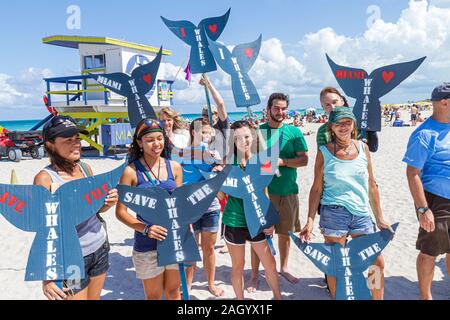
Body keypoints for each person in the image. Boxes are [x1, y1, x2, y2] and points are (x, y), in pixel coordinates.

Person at [300, 107, 393, 300]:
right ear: (331, 128)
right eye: (338, 123)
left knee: (376, 262)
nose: (343, 127)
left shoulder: (363, 148)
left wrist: (380, 218)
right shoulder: (324, 151)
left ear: (354, 125)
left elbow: (371, 184)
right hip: (333, 214)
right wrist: (309, 220)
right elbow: (316, 188)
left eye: (347, 122)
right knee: (336, 266)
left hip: (361, 213)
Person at [34, 116, 118, 300]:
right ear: (50, 145)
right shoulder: (45, 179)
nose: (76, 144)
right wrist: (47, 278)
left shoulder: (85, 169)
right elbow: (44, 231)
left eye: (77, 139)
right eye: (68, 140)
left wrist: (107, 203)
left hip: (99, 248)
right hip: (70, 258)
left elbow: (94, 211)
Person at [115, 118, 183, 300]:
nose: (156, 144)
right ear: (139, 143)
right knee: (153, 296)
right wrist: (146, 229)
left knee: (173, 293)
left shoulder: (175, 167)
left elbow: (179, 205)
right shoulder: (131, 171)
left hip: (172, 241)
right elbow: (120, 212)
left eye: (159, 138)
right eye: (149, 140)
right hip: (146, 244)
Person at [250, 93, 309, 288]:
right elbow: (251, 161)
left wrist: (282, 162)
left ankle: (283, 267)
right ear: (268, 109)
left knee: (285, 233)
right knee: (259, 235)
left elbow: (304, 160)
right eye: (276, 108)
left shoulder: (294, 132)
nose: (280, 112)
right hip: (263, 193)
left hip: (288, 191)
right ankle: (255, 274)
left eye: (283, 108)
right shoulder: (258, 132)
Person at [219, 120, 282, 300]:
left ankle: (278, 297)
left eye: (247, 136)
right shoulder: (228, 162)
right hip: (233, 220)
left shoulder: (263, 160)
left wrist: (269, 220)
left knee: (269, 263)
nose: (243, 141)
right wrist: (218, 181)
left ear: (252, 137)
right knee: (238, 265)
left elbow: (265, 191)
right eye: (238, 138)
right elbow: (221, 197)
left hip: (256, 219)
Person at [403, 83, 450, 300]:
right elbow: (412, 173)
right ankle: (425, 296)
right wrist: (423, 209)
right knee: (430, 250)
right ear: (445, 102)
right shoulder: (424, 134)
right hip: (434, 199)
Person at [183, 118, 225, 297]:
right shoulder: (182, 154)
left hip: (210, 207)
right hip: (189, 208)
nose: (207, 136)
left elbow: (224, 173)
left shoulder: (212, 155)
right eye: (203, 132)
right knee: (191, 249)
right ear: (194, 133)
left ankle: (210, 283)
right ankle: (189, 284)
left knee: (208, 248)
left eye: (210, 132)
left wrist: (221, 167)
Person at [316, 87, 379, 152]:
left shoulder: (358, 123)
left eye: (335, 102)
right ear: (323, 108)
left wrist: (371, 127)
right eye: (327, 105)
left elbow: (373, 148)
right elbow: (322, 157)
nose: (333, 107)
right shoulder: (323, 131)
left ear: (342, 101)